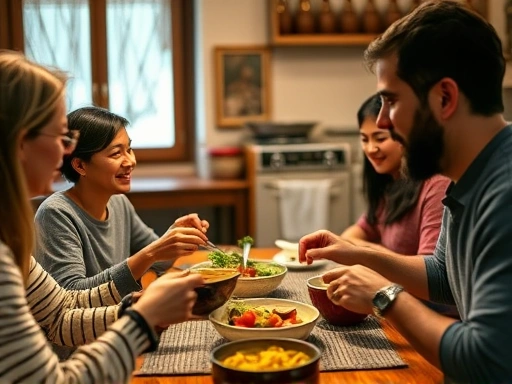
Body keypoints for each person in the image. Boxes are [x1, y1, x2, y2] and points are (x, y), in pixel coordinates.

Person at [299, 1, 512, 382]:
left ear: (444, 98)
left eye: (391, 101)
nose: (382, 121)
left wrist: (385, 296)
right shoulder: (467, 174)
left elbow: (486, 360)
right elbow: (445, 275)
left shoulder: (505, 192)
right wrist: (359, 253)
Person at [0, 50, 205, 382]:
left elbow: (60, 315)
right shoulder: (52, 215)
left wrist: (138, 308)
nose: (67, 150)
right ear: (20, 143)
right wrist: (140, 318)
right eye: (61, 136)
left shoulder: (10, 240)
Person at [34, 106, 209, 298]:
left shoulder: (119, 203)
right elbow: (71, 294)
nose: (130, 161)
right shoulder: (56, 213)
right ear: (80, 165)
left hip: (117, 314)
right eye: (116, 153)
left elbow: (156, 261)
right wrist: (152, 252)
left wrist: (174, 237)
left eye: (129, 149)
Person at [344, 94, 456, 316]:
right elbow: (352, 234)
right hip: (399, 300)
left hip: (430, 313)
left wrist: (368, 254)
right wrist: (367, 252)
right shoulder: (390, 182)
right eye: (364, 139)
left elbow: (430, 275)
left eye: (380, 138)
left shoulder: (436, 184)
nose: (371, 148)